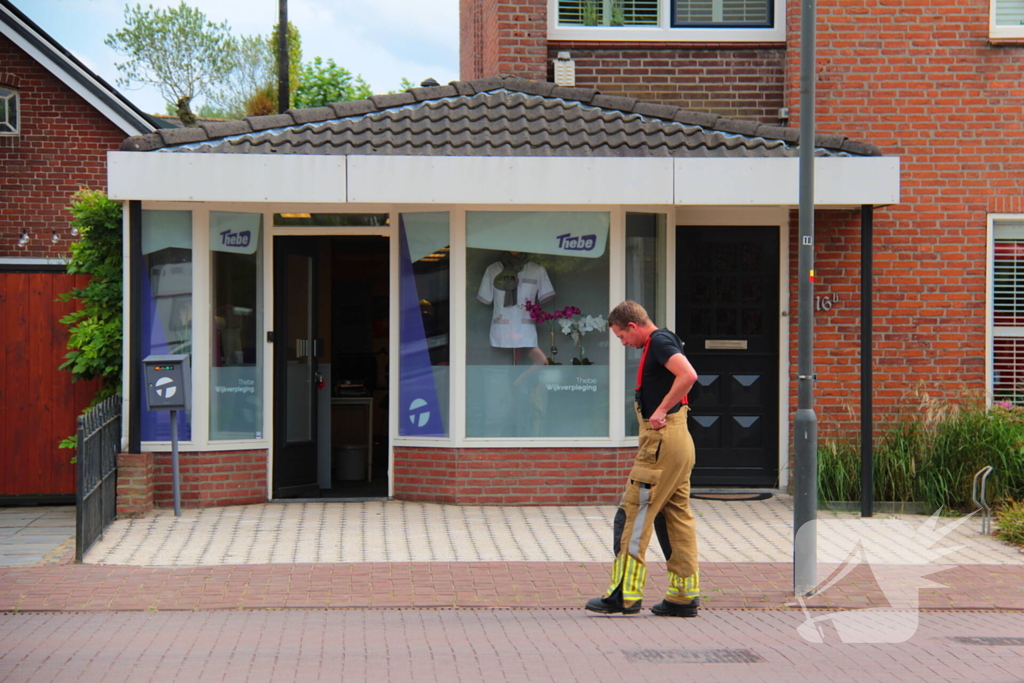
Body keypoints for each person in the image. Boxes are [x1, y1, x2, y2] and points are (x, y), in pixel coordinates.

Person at [585, 300, 701, 617]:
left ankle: (624, 594)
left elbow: (688, 375)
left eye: (622, 336)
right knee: (675, 518)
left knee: (633, 515)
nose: (623, 343)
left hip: (662, 442)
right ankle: (683, 596)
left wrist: (660, 410)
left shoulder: (659, 342)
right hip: (679, 441)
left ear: (633, 326)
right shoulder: (666, 339)